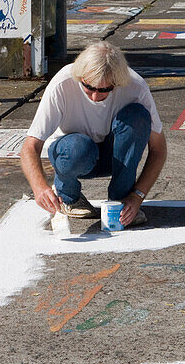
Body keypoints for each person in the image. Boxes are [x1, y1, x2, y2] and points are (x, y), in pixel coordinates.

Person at [20, 41, 167, 227]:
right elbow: (30, 147)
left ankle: (121, 202)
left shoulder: (136, 87)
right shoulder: (62, 82)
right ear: (80, 76)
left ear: (117, 82)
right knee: (78, 148)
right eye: (88, 88)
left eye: (105, 90)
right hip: (73, 154)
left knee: (137, 117)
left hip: (114, 156)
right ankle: (69, 196)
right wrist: (39, 187)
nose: (96, 97)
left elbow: (159, 149)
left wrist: (137, 196)